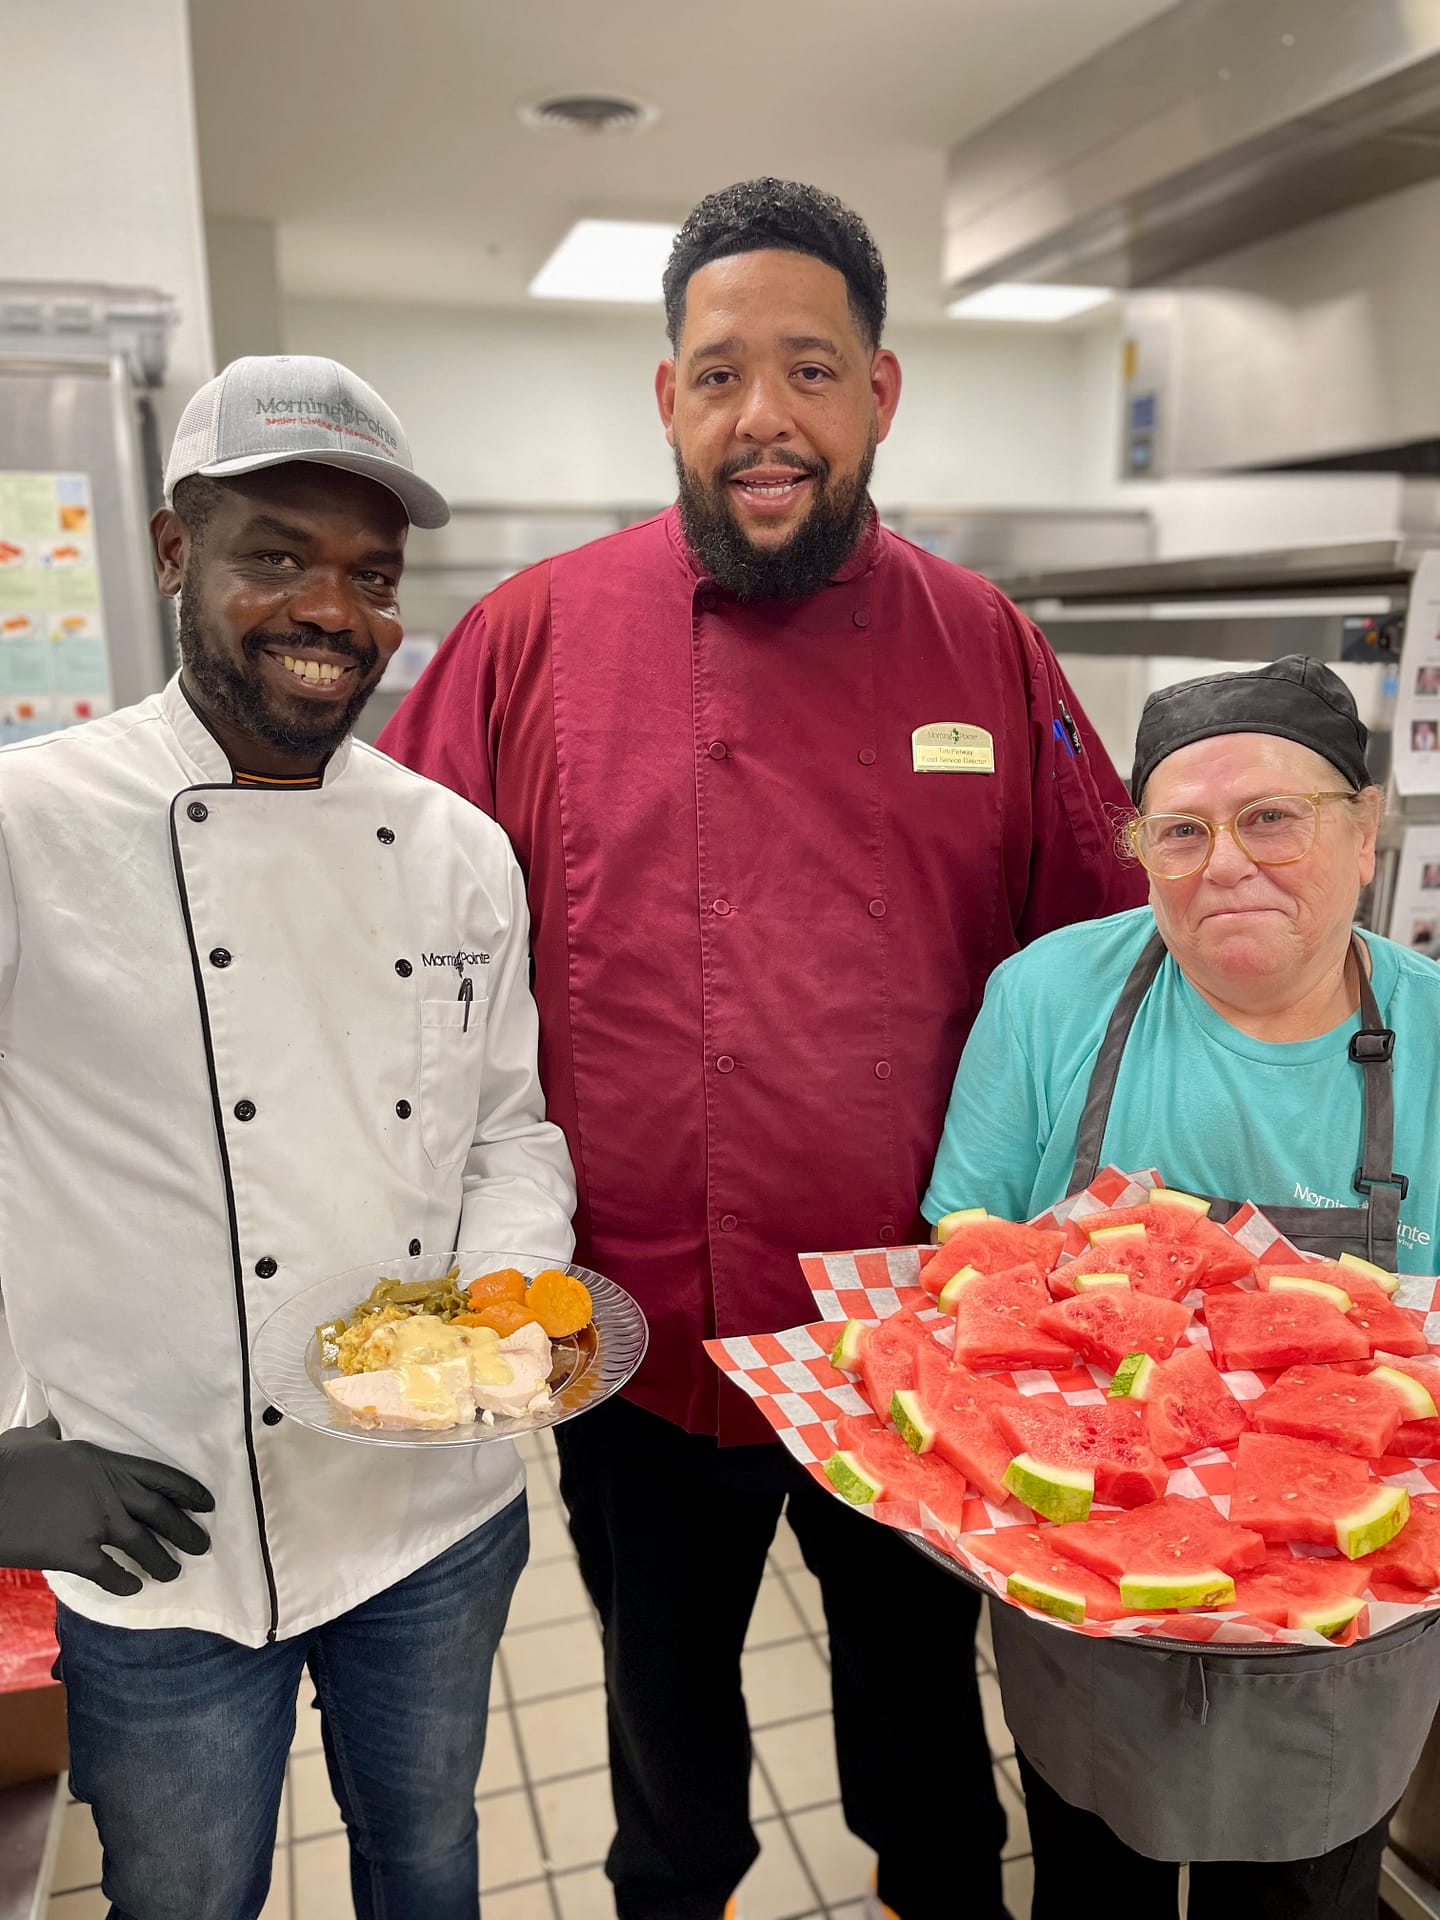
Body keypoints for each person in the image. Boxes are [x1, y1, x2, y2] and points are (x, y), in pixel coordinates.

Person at [379, 178, 1143, 1920]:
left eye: (810, 371)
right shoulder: (531, 638)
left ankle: (929, 1890)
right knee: (662, 1728)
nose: (763, 418)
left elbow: (1097, 966)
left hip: (907, 1345)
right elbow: (397, 937)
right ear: (667, 400)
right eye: (721, 375)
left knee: (916, 1719)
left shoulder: (985, 643)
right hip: (634, 1330)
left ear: (880, 394)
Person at [0, 355, 577, 1920]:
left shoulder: (459, 848)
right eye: (277, 556)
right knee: (186, 1898)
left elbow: (505, 1130)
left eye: (370, 575)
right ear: (176, 551)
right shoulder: (31, 824)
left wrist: (513, 1297)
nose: (332, 608)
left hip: (433, 1516)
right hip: (157, 1532)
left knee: (432, 1867)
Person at [923, 655, 1440, 1919]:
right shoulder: (1047, 997)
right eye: (1183, 831)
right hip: (1087, 1570)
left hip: (1349, 1620)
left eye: (1273, 816)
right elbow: (954, 1281)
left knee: (1309, 1898)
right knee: (1090, 1884)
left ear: (1365, 830)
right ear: (1140, 847)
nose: (1227, 863)